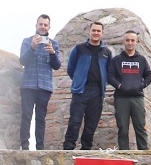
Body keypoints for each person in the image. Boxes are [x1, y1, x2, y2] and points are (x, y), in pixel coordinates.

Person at [62, 23, 112, 151]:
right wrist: (79, 80)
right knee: (75, 122)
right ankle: (68, 149)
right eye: (93, 30)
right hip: (80, 91)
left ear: (102, 33)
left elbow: (109, 71)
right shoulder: (79, 48)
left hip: (97, 92)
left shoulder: (106, 52)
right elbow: (70, 68)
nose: (96, 33)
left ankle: (86, 150)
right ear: (89, 31)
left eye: (98, 31)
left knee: (91, 125)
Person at [19, 14, 60, 151]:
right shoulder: (27, 41)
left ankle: (40, 148)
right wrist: (32, 47)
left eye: (45, 25)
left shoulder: (53, 44)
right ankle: (24, 146)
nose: (43, 27)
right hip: (28, 85)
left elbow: (57, 66)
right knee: (26, 115)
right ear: (36, 25)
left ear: (49, 27)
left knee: (40, 119)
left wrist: (53, 53)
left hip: (44, 86)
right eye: (40, 24)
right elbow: (23, 61)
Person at [109, 31, 151, 150]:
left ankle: (144, 154)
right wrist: (119, 86)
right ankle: (124, 154)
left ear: (136, 42)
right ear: (123, 42)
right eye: (127, 40)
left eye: (132, 40)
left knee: (140, 127)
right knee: (122, 128)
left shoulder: (142, 60)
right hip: (121, 98)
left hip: (137, 97)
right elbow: (110, 76)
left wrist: (141, 85)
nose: (130, 43)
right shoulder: (116, 60)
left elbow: (149, 76)